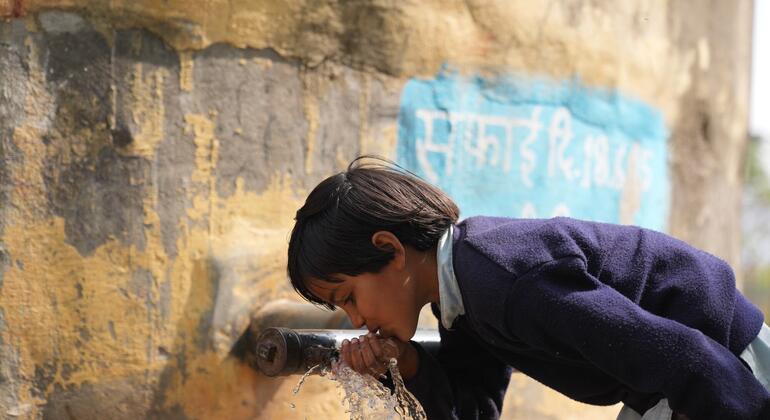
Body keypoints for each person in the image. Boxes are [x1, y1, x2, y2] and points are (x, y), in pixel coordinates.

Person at [286, 156, 770, 420]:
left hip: (723, 364)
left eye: (347, 296)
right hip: (677, 380)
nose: (356, 320)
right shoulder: (461, 300)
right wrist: (407, 366)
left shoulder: (502, 279)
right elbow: (474, 410)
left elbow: (675, 352)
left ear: (390, 249)